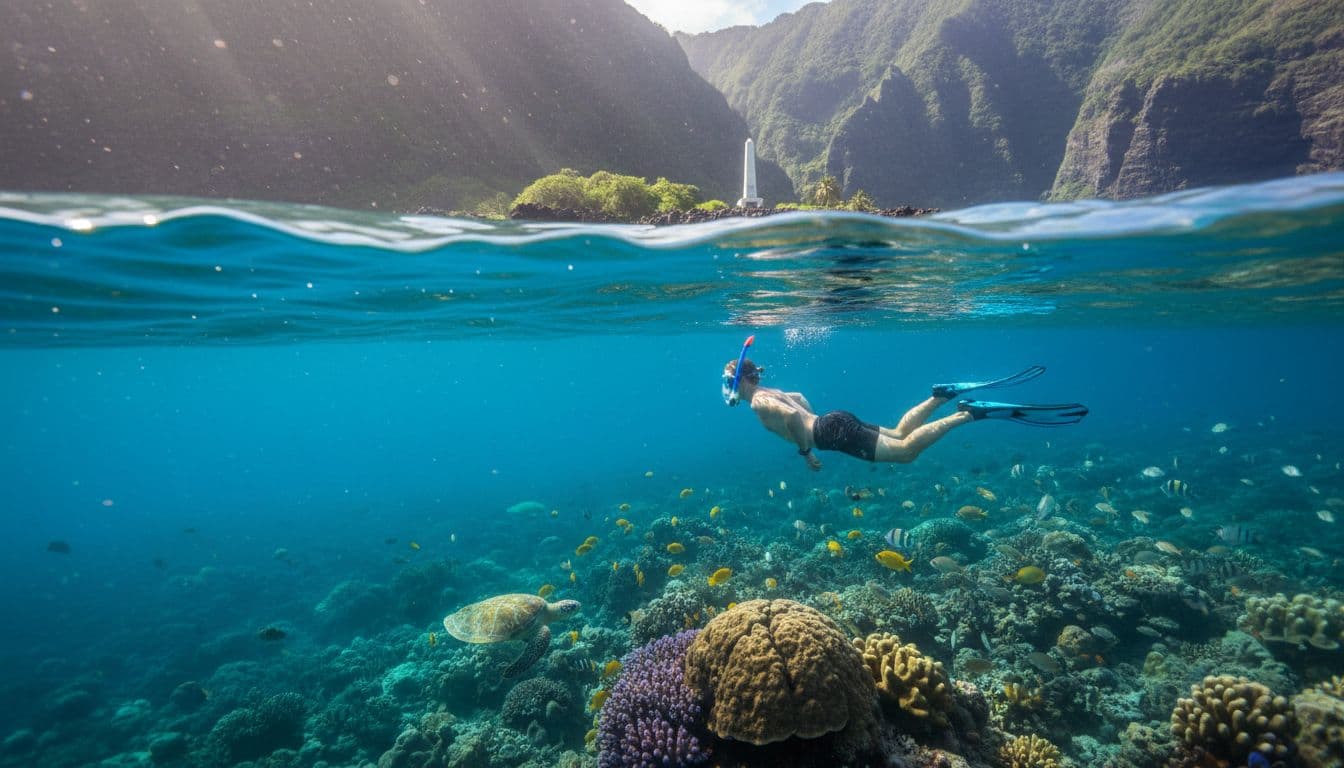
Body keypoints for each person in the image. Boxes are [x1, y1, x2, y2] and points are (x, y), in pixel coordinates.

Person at [722, 352, 1087, 471]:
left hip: (827, 433)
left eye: (729, 382)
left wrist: (807, 451)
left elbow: (788, 418)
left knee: (906, 452)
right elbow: (798, 399)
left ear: (740, 380)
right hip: (833, 419)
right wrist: (816, 422)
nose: (729, 389)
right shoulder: (773, 388)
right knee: (898, 432)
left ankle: (967, 414)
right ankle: (939, 396)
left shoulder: (758, 400)